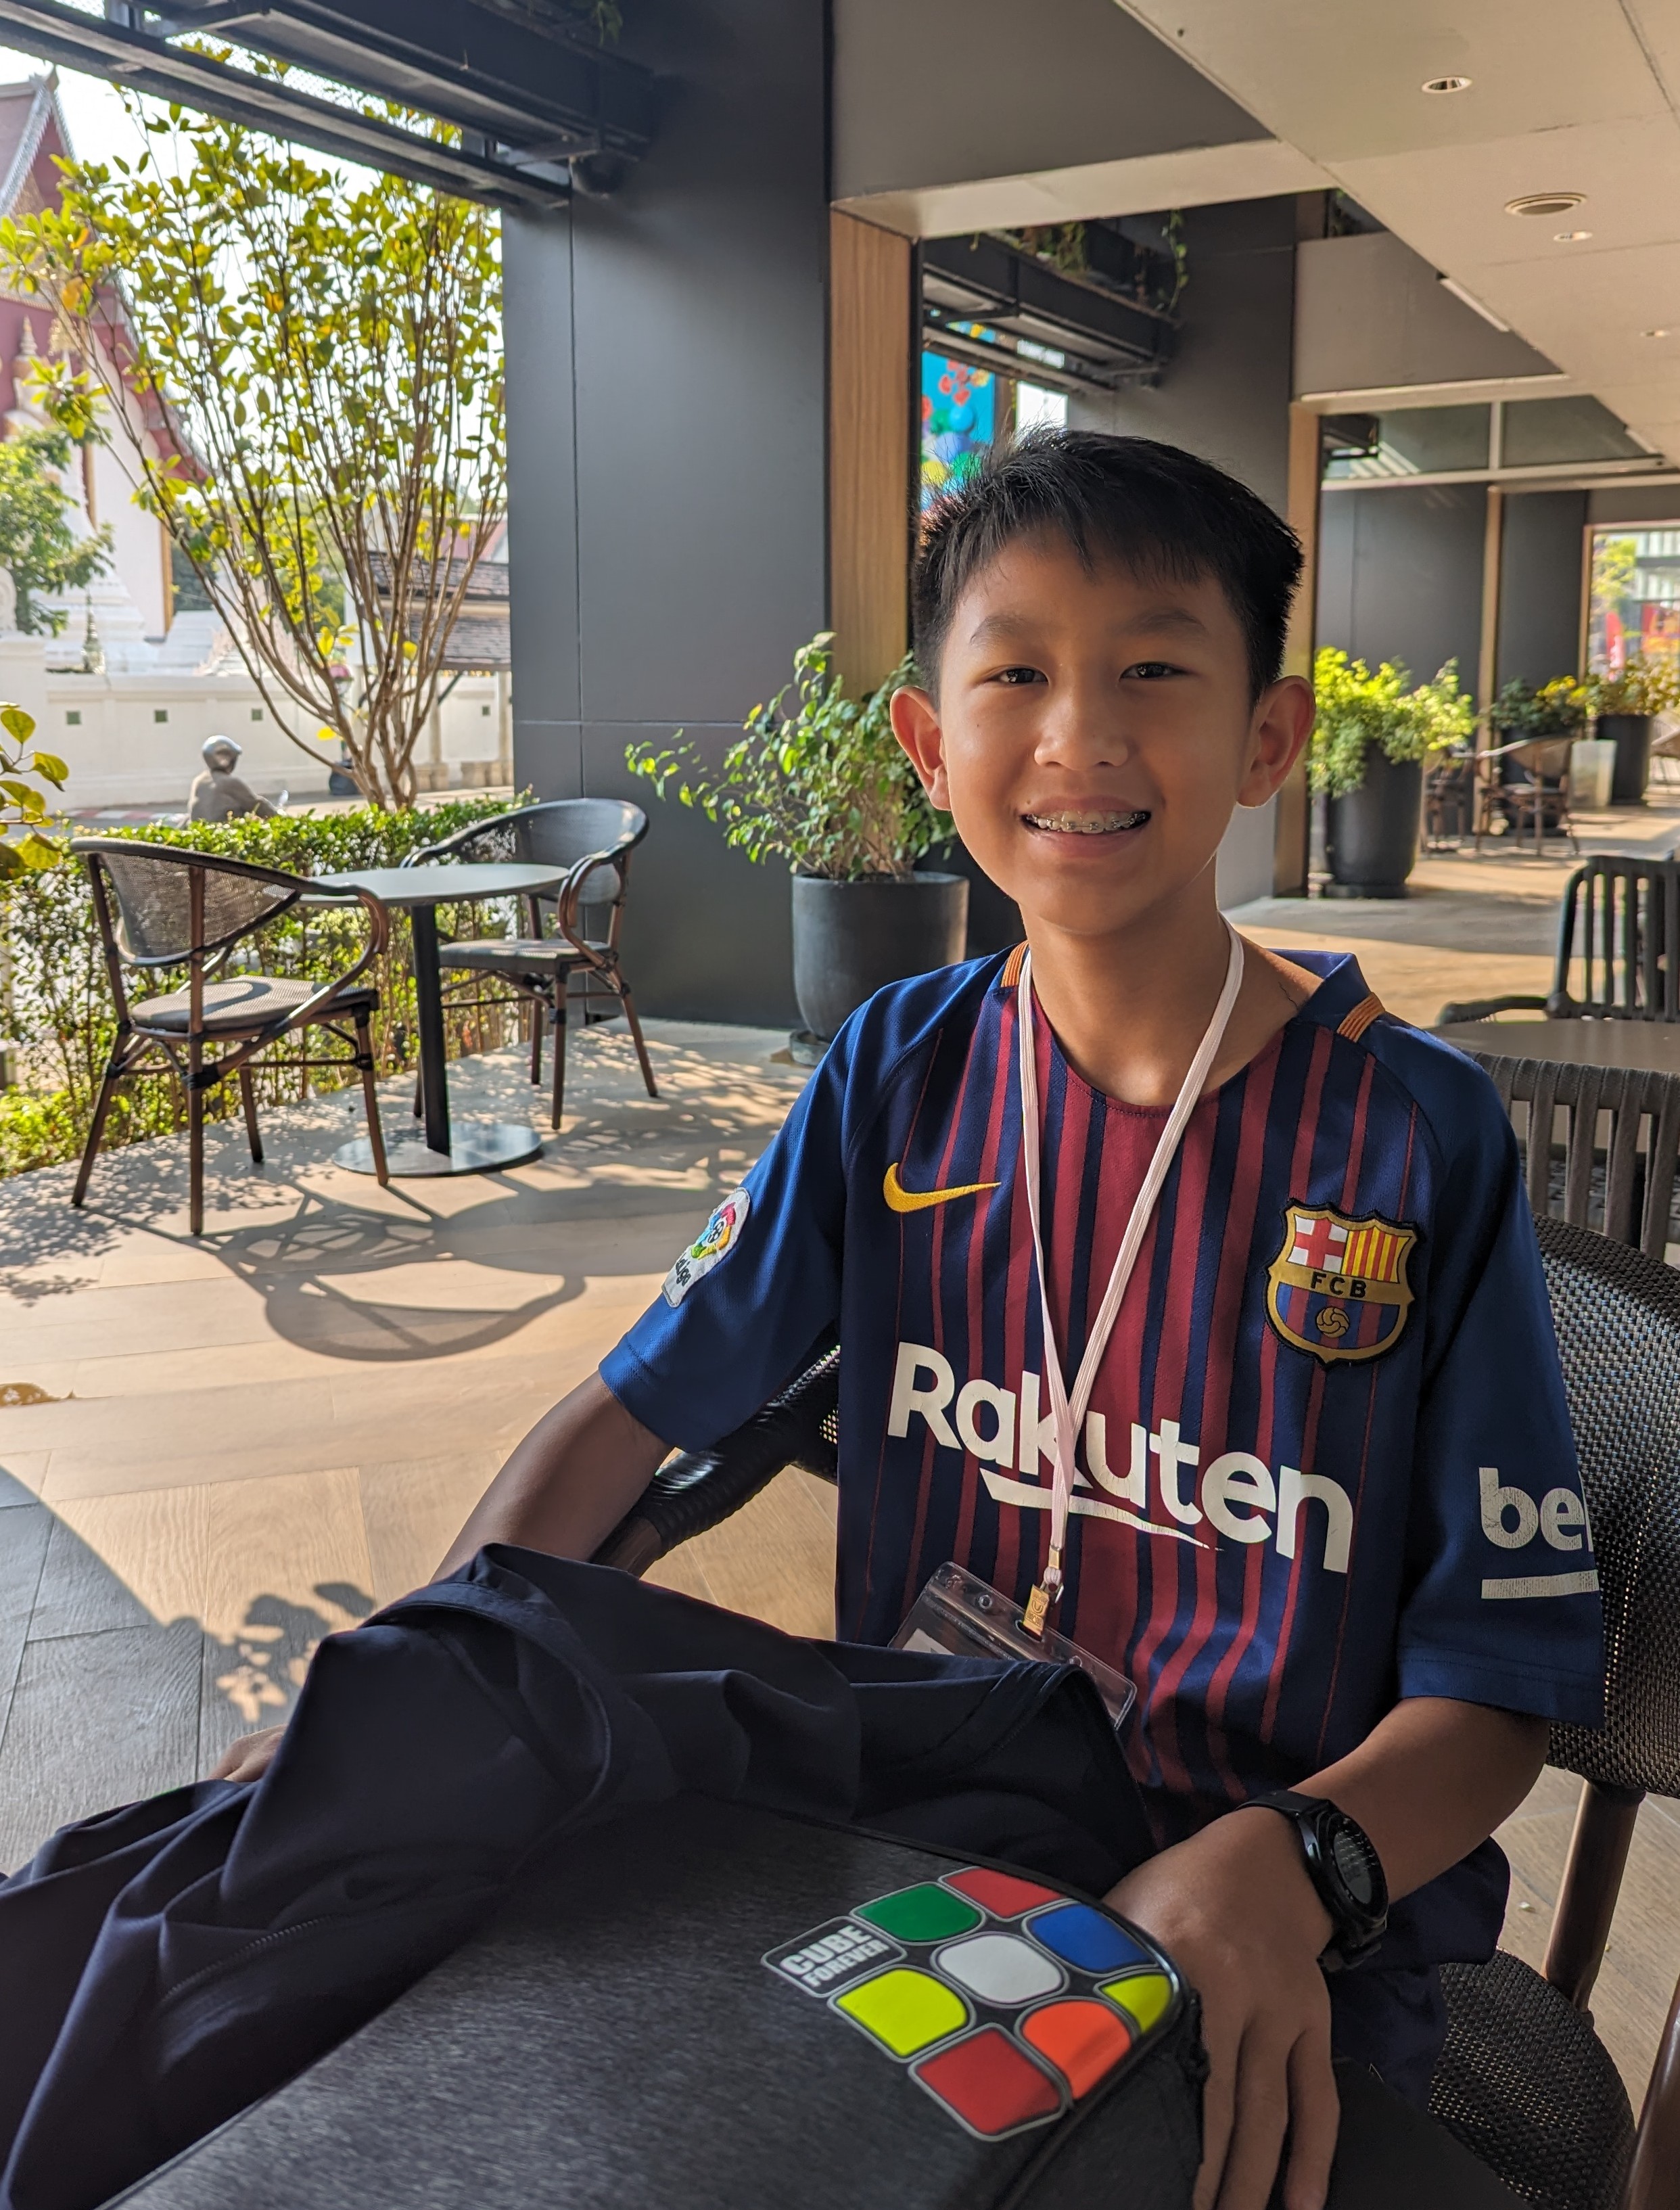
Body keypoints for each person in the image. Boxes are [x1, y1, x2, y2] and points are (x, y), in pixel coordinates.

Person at [218, 433, 1600, 2210]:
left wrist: (1299, 1859)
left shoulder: (1414, 1134)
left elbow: (1500, 1686)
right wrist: (409, 1674)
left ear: (1268, 737)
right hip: (914, 1862)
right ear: (930, 745)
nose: (1079, 736)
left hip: (1267, 1927)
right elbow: (633, 1410)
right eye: (1015, 673)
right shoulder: (898, 1069)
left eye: (1154, 670)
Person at [187, 735, 278, 823]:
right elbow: (257, 805)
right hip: (225, 830)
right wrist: (279, 817)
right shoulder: (230, 782)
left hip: (201, 830)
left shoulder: (198, 781)